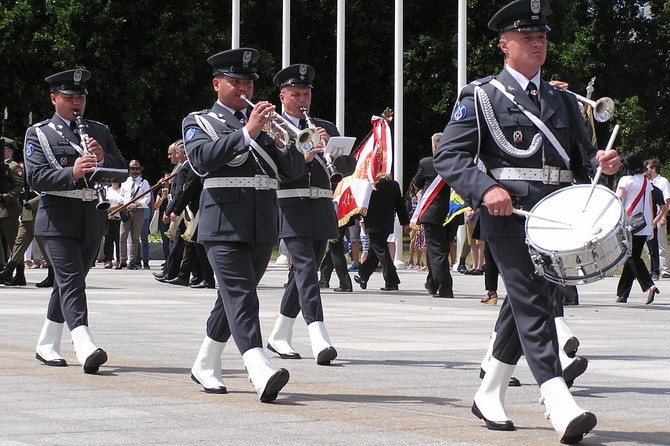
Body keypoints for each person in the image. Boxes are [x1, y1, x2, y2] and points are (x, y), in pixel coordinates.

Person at [432, 1, 621, 442]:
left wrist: (605, 162)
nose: (538, 43)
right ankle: (558, 399)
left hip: (557, 217)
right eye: (527, 37)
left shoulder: (563, 99)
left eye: (542, 37)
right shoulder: (480, 95)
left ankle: (489, 391)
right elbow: (450, 157)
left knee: (524, 307)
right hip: (509, 215)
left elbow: (579, 159)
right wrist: (484, 189)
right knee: (536, 305)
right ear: (505, 45)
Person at [183, 48, 305, 402]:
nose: (243, 88)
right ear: (216, 83)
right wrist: (248, 133)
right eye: (235, 81)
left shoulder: (266, 121)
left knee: (230, 300)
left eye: (248, 82)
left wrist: (299, 144)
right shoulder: (199, 121)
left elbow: (291, 173)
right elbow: (202, 161)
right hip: (223, 222)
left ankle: (205, 363)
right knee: (242, 296)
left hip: (261, 222)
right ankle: (258, 367)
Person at [24, 68, 128, 373]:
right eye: (70, 97)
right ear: (54, 98)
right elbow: (35, 176)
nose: (76, 103)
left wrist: (103, 158)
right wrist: (73, 171)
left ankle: (46, 344)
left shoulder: (99, 130)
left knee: (68, 283)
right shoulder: (39, 133)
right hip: (57, 218)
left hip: (91, 217)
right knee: (70, 281)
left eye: (80, 97)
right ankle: (84, 343)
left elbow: (122, 168)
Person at [266, 63, 339, 365]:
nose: (302, 100)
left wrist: (333, 150)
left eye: (306, 94)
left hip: (321, 204)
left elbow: (346, 170)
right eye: (295, 94)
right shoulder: (274, 129)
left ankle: (279, 335)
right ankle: (318, 335)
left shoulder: (326, 127)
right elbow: (279, 170)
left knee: (302, 274)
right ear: (282, 97)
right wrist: (305, 154)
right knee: (306, 268)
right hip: (291, 204)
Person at [412, 132, 455, 298]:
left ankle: (445, 288)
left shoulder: (426, 163)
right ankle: (432, 283)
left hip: (432, 213)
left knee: (437, 251)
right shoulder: (454, 163)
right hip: (451, 213)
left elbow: (416, 183)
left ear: (434, 146)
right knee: (438, 248)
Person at [354, 173, 409, 291]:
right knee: (374, 252)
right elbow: (400, 205)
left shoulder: (371, 185)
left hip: (373, 222)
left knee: (381, 251)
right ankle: (363, 276)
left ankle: (392, 281)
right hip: (387, 222)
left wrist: (359, 217)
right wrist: (405, 222)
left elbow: (363, 202)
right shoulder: (394, 185)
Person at [616, 153, 659, 304]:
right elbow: (649, 202)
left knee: (630, 257)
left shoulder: (625, 180)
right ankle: (622, 294)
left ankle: (649, 286)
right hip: (643, 223)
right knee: (631, 257)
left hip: (629, 224)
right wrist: (652, 222)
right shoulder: (647, 181)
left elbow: (619, 199)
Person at [118, 160, 151, 270]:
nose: (135, 171)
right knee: (122, 236)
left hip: (139, 211)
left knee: (135, 237)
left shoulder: (144, 182)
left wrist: (136, 204)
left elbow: (148, 198)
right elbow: (121, 195)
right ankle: (122, 260)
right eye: (133, 169)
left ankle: (132, 261)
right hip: (126, 210)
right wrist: (123, 202)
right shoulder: (125, 182)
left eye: (137, 169)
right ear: (129, 170)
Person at [644, 158, 670, 278]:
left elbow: (667, 201)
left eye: (648, 167)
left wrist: (663, 217)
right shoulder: (647, 182)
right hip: (647, 217)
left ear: (653, 169)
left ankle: (665, 270)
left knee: (661, 245)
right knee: (649, 246)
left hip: (658, 215)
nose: (646, 169)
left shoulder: (663, 181)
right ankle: (654, 268)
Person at [0, 138, 24, 270]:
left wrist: (6, 197)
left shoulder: (14, 166)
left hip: (9, 209)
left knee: (14, 242)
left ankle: (19, 272)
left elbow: (20, 186)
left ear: (8, 150)